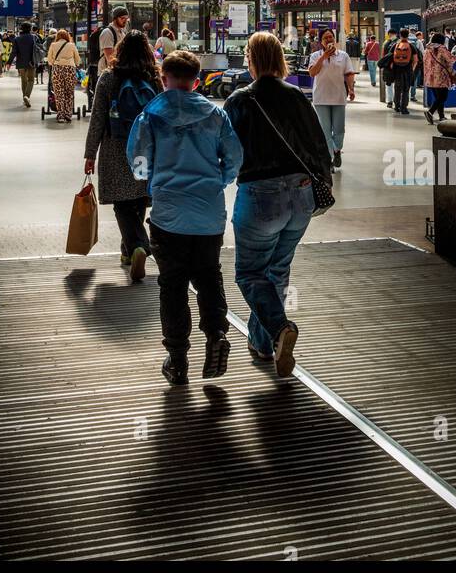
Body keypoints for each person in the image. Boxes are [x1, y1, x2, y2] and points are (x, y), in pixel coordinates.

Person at [127, 49, 243, 386]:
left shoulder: (150, 117)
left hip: (168, 216)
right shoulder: (215, 116)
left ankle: (177, 360)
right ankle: (216, 335)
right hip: (208, 214)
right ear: (197, 81)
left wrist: (154, 181)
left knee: (172, 285)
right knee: (209, 277)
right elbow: (235, 157)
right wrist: (217, 180)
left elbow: (138, 164)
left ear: (164, 79)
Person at [225, 32, 332, 379]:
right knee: (277, 270)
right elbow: (318, 143)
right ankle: (262, 342)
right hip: (301, 194)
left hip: (260, 194)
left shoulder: (240, 100)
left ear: (252, 58)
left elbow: (225, 150)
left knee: (249, 272)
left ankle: (280, 328)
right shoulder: (297, 96)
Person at [84, 30, 161, 279]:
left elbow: (97, 119)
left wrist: (90, 154)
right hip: (145, 148)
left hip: (116, 146)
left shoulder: (108, 78)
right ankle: (129, 250)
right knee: (138, 198)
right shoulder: (154, 78)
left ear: (120, 50)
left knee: (122, 203)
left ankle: (139, 245)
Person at [308, 29, 355, 169]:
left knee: (339, 130)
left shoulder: (343, 56)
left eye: (331, 37)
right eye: (325, 38)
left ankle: (337, 150)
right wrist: (323, 57)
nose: (329, 39)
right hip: (321, 98)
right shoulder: (315, 56)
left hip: (339, 97)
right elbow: (312, 73)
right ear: (321, 41)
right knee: (325, 131)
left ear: (334, 39)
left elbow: (349, 74)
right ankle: (328, 161)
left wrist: (351, 89)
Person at [381, 26, 418, 116]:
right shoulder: (411, 46)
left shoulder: (395, 45)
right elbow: (415, 60)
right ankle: (404, 108)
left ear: (400, 35)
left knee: (397, 88)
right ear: (408, 35)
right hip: (408, 70)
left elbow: (390, 59)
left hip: (397, 70)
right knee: (406, 89)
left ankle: (396, 106)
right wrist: (412, 69)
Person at [47, 27, 80, 122]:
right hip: (70, 69)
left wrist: (57, 61)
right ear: (67, 36)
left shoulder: (53, 45)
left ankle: (60, 115)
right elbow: (77, 59)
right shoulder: (72, 45)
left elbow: (49, 60)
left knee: (59, 93)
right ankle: (68, 114)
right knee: (69, 93)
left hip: (57, 69)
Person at [423, 33, 455, 124]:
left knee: (438, 98)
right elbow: (451, 60)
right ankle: (430, 112)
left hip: (430, 78)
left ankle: (441, 116)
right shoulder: (441, 49)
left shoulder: (427, 50)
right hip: (440, 77)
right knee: (442, 97)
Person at [9, 21, 36, 107]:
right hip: (31, 62)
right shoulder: (33, 37)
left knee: (23, 81)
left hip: (21, 62)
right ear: (30, 29)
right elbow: (38, 49)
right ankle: (27, 96)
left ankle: (24, 98)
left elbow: (14, 52)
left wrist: (9, 62)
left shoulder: (17, 39)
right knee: (31, 80)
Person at [98, 6, 129, 74]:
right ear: (115, 18)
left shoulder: (122, 33)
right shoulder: (107, 32)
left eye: (126, 18)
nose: (125, 21)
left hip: (117, 71)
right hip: (107, 73)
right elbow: (110, 57)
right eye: (122, 18)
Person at [380, 29, 396, 107]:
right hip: (398, 67)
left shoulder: (386, 43)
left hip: (387, 66)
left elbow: (383, 55)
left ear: (389, 34)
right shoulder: (399, 42)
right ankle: (397, 100)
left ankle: (390, 101)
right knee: (397, 84)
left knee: (389, 84)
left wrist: (383, 65)